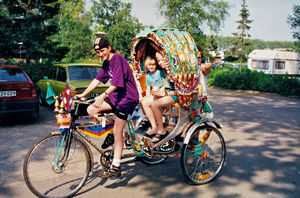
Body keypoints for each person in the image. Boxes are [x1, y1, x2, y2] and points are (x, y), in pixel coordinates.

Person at [77, 37, 139, 179]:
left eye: (102, 51)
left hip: (127, 98)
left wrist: (103, 95)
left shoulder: (117, 59)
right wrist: (83, 94)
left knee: (117, 131)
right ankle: (115, 134)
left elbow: (116, 83)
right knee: (91, 109)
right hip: (116, 97)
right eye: (97, 52)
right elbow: (97, 80)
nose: (100, 54)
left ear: (109, 48)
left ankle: (116, 166)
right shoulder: (106, 63)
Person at [145, 52, 178, 143]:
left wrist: (164, 93)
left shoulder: (174, 71)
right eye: (159, 61)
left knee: (155, 104)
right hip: (166, 94)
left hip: (174, 95)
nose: (160, 62)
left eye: (162, 60)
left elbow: (178, 91)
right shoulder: (163, 71)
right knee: (145, 102)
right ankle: (154, 126)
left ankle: (161, 130)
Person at [140, 56, 164, 137]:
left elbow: (162, 85)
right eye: (149, 65)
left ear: (156, 65)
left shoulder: (159, 73)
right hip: (153, 93)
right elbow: (148, 88)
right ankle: (153, 125)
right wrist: (146, 97)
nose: (151, 67)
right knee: (143, 101)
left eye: (153, 65)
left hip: (160, 93)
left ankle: (156, 126)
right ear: (147, 66)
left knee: (149, 102)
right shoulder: (148, 76)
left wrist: (159, 91)